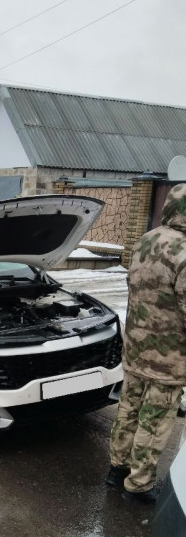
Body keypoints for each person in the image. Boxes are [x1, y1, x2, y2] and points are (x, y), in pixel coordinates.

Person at [106, 182, 186, 504]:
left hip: (137, 347)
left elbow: (133, 287)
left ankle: (116, 469)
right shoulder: (183, 252)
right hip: (169, 359)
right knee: (153, 422)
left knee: (128, 410)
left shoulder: (145, 241)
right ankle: (138, 485)